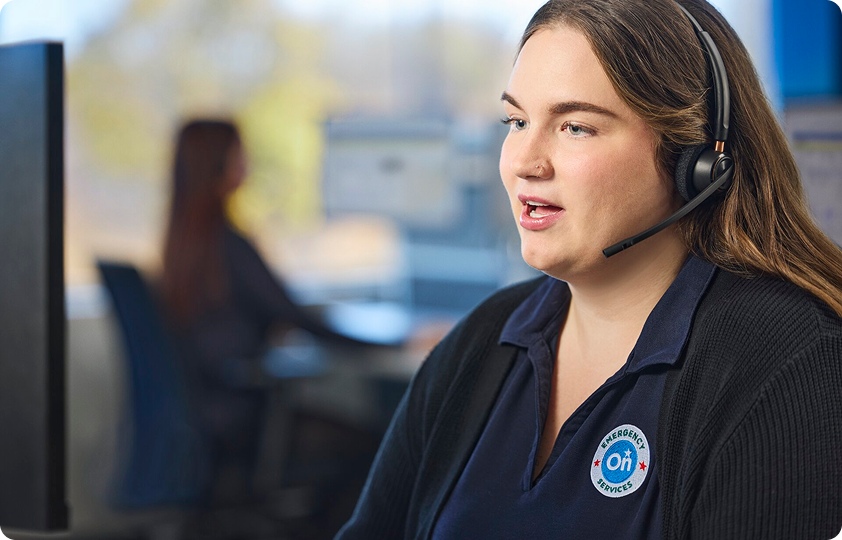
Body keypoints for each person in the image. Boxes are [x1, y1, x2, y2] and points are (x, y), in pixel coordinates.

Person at [334, 1, 842, 539]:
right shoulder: (483, 340)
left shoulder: (790, 367)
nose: (525, 161)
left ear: (695, 160)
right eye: (517, 121)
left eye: (575, 127)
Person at [159, 119, 356, 503]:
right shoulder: (228, 244)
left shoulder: (183, 246)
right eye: (239, 154)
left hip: (205, 415)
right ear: (219, 164)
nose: (246, 164)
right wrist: (393, 342)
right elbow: (296, 318)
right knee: (381, 448)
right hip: (245, 418)